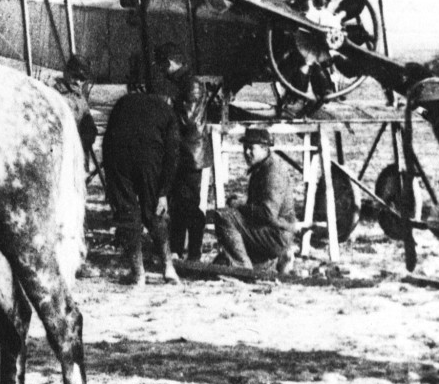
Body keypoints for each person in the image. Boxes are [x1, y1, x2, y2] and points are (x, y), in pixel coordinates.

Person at [100, 85, 180, 285]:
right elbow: (172, 154)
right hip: (149, 158)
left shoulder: (123, 102)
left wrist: (111, 182)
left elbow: (107, 139)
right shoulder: (166, 109)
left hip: (118, 156)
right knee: (154, 210)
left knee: (127, 213)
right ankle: (169, 268)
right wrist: (163, 192)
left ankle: (138, 273)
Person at [211, 127, 297, 272]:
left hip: (276, 235)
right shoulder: (263, 166)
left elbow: (267, 213)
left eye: (251, 148)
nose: (246, 153)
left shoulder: (272, 173)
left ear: (264, 148)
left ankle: (243, 269)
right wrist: (244, 202)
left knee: (223, 216)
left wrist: (240, 206)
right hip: (273, 232)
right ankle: (267, 262)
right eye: (245, 148)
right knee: (220, 262)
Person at [156, 41, 210, 261]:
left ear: (170, 63)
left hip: (190, 156)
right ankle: (178, 250)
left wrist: (165, 106)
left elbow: (187, 119)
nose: (162, 72)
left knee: (189, 206)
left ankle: (194, 253)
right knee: (179, 205)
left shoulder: (191, 85)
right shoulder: (185, 83)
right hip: (185, 154)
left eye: (162, 67)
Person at [48, 53, 99, 167]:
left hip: (79, 157)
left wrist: (89, 132)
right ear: (67, 73)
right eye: (76, 77)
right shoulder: (54, 93)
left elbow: (89, 123)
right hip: (62, 157)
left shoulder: (79, 97)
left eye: (82, 79)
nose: (78, 82)